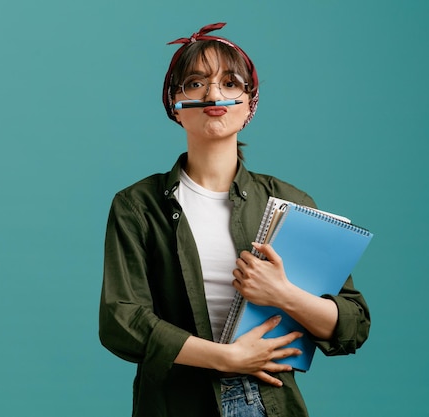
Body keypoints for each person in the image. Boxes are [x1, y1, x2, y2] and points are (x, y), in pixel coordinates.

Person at [99, 22, 370, 417]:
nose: (213, 94)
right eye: (194, 83)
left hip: (270, 402)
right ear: (175, 103)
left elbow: (351, 326)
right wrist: (227, 358)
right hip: (178, 403)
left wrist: (282, 294)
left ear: (249, 104)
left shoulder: (290, 203)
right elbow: (121, 321)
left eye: (230, 83)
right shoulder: (137, 205)